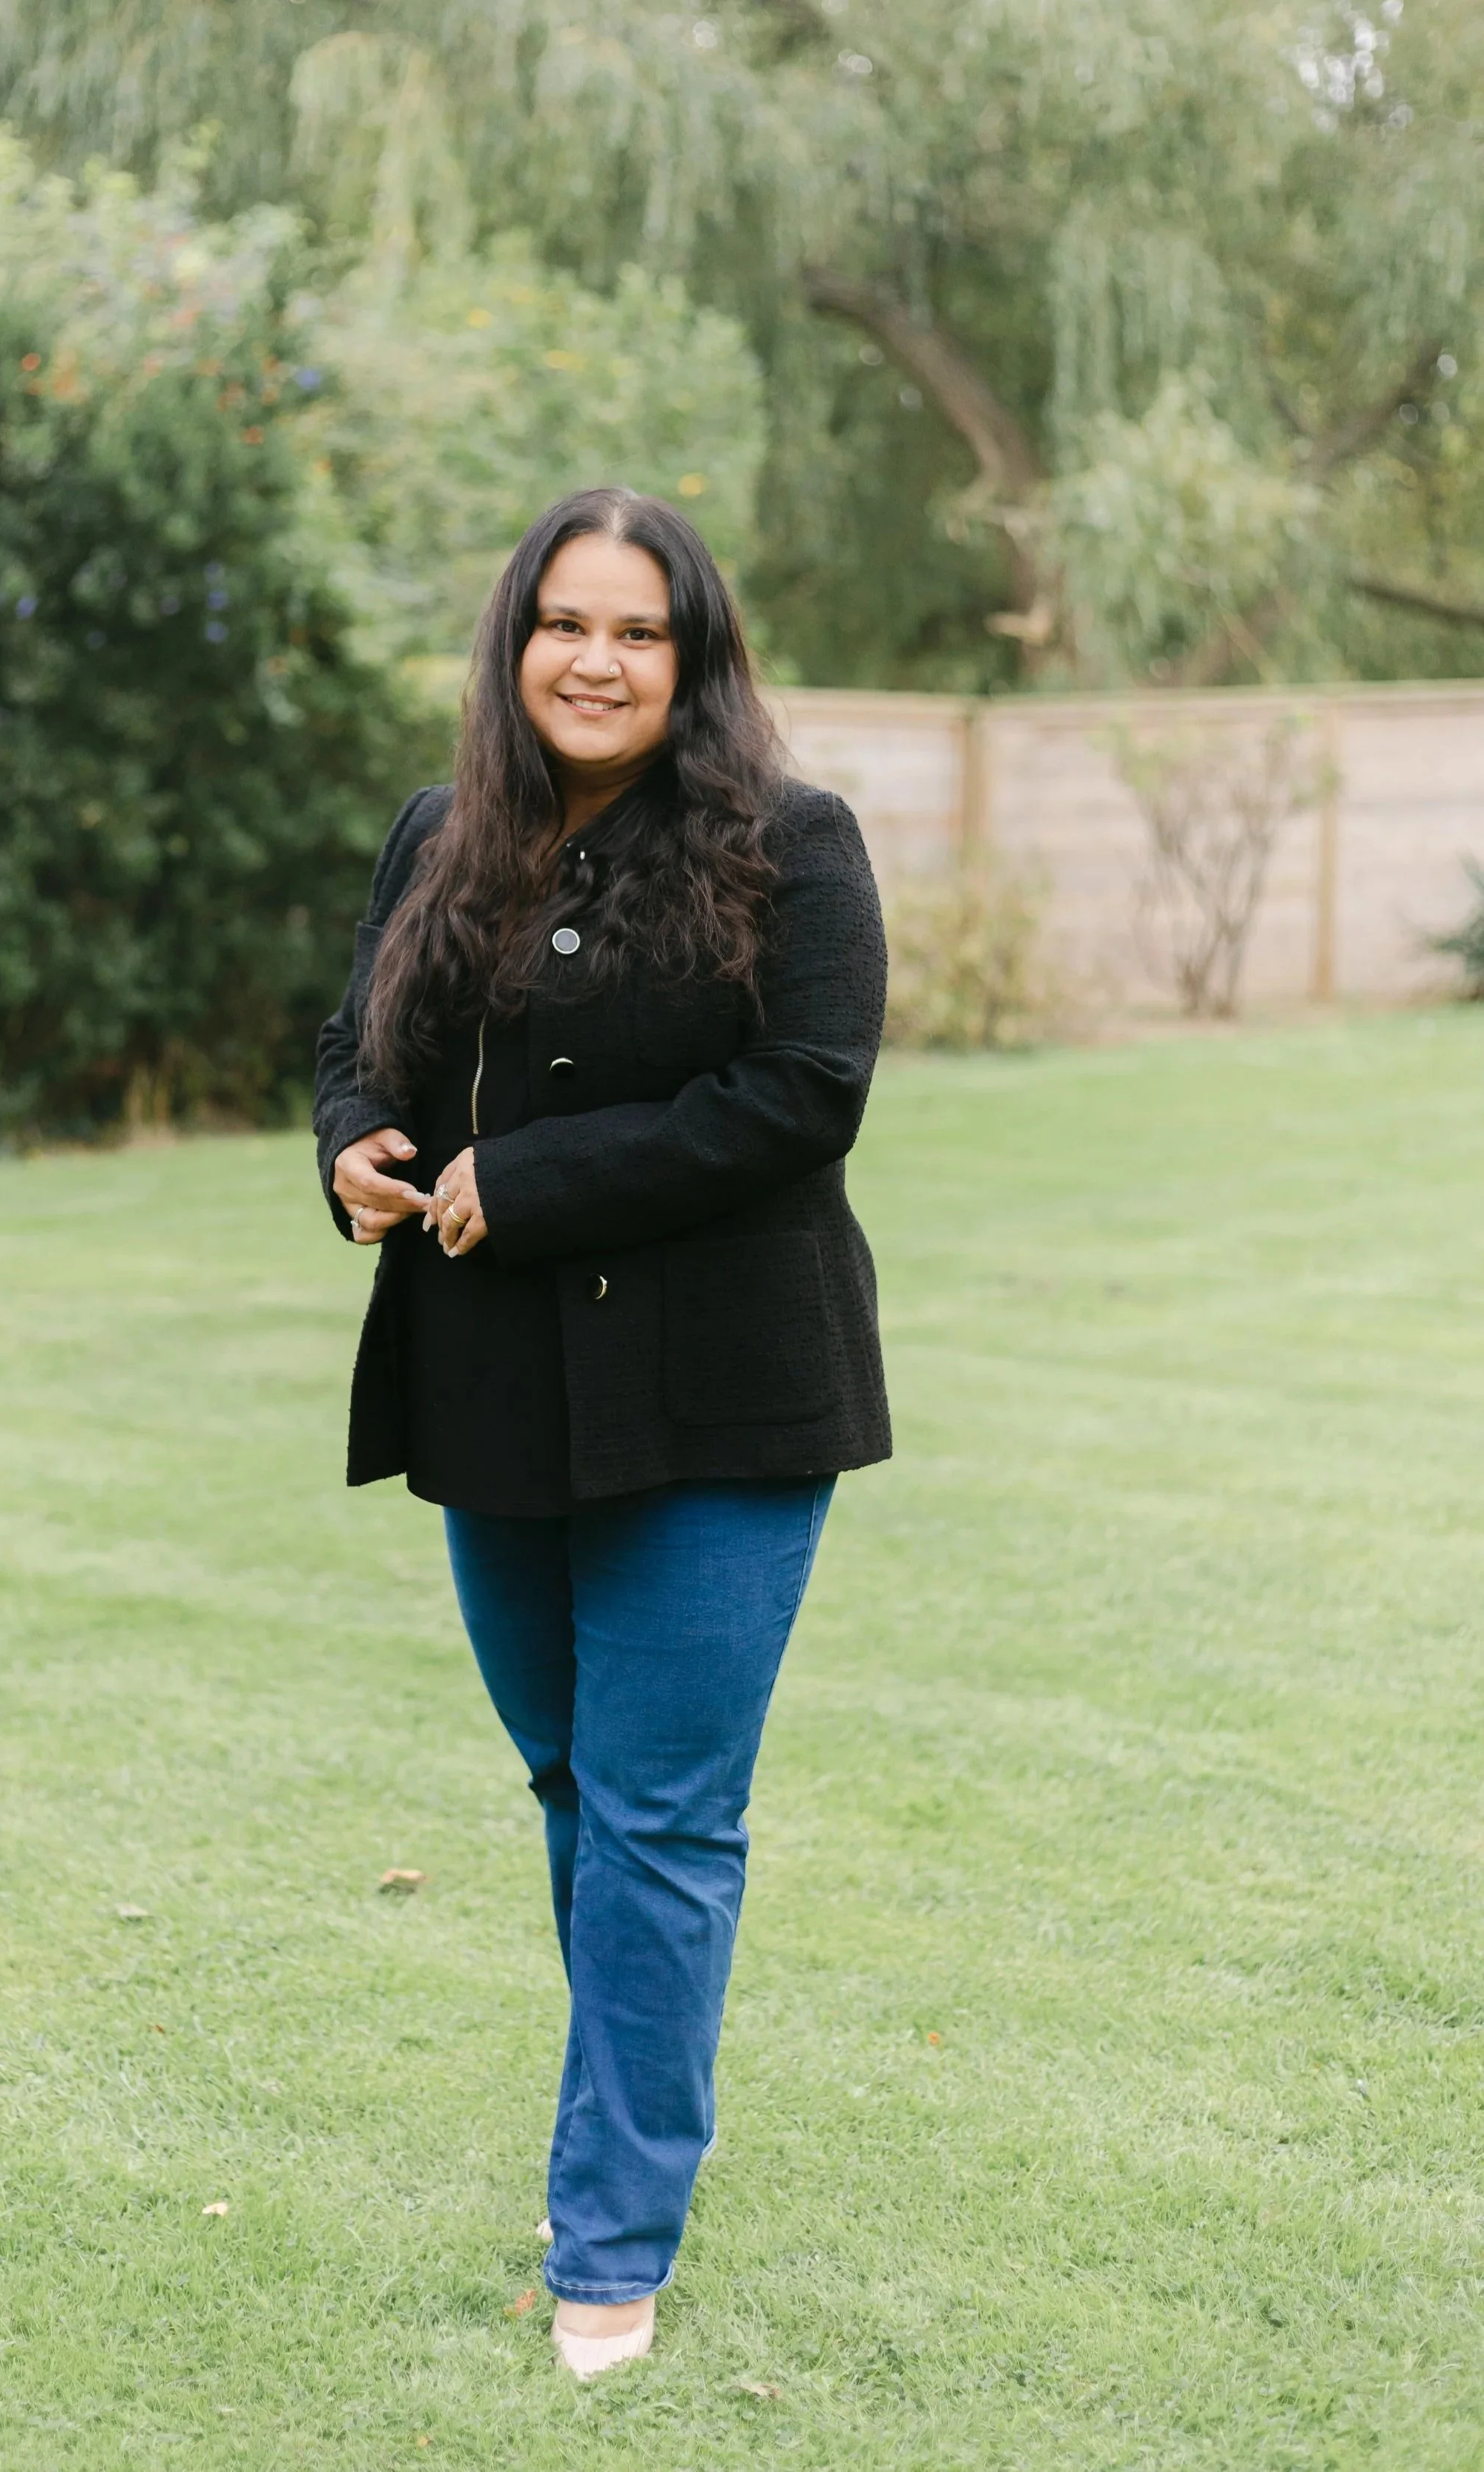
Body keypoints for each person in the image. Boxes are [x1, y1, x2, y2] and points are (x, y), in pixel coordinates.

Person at [313, 487, 890, 2379]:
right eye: (566, 623)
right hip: (493, 1395)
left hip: (722, 1395)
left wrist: (534, 1180)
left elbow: (801, 1097)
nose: (596, 658)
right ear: (514, 643)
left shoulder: (788, 847)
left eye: (638, 631)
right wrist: (353, 1147)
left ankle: (609, 2235)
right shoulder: (439, 834)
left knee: (656, 1820)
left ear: (692, 655)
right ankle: (636, 2120)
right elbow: (359, 1044)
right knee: (575, 1786)